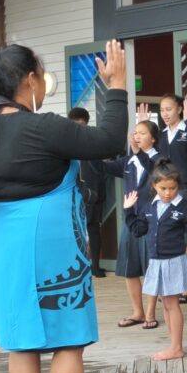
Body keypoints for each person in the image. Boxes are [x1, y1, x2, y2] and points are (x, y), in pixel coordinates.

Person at [0, 41, 126, 373]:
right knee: (68, 339)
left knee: (21, 345)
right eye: (41, 75)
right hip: (50, 241)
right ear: (30, 79)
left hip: (6, 245)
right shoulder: (41, 127)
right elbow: (110, 140)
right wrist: (116, 86)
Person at [123, 160, 187, 361]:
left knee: (172, 304)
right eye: (163, 188)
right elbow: (138, 230)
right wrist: (128, 211)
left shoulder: (183, 207)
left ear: (178, 186)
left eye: (172, 188)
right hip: (157, 262)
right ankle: (174, 345)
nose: (168, 193)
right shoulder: (149, 206)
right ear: (154, 186)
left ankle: (177, 347)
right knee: (166, 304)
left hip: (174, 261)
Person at [103, 120, 161, 330]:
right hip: (130, 219)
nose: (137, 136)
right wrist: (88, 149)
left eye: (142, 133)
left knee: (151, 268)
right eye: (135, 133)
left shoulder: (160, 159)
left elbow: (153, 170)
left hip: (152, 220)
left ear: (153, 138)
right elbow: (102, 167)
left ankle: (150, 312)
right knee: (130, 268)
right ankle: (137, 311)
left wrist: (138, 153)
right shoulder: (128, 161)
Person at [155, 94, 187, 304]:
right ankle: (181, 285)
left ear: (179, 109)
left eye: (169, 109)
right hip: (167, 190)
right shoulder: (162, 134)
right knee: (175, 238)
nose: (165, 114)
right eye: (162, 110)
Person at [69, 107, 108, 277]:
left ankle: (95, 266)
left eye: (82, 124)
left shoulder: (93, 143)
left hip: (94, 192)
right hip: (73, 194)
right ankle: (76, 265)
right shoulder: (64, 143)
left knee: (94, 229)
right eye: (76, 123)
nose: (80, 127)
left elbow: (101, 166)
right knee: (74, 230)